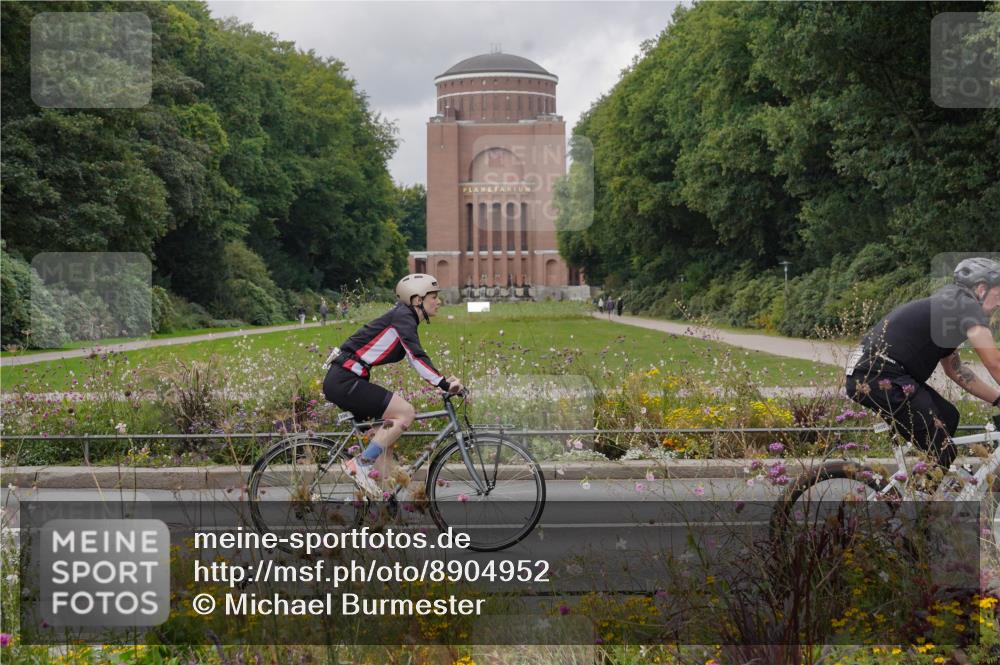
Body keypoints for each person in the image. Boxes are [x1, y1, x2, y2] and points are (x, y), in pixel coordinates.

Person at [845, 257, 1000, 471]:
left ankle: (925, 487)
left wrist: (998, 399)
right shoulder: (968, 306)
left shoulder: (951, 306)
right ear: (981, 289)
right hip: (881, 377)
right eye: (998, 294)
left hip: (875, 374)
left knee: (948, 417)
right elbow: (994, 362)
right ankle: (923, 502)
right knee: (943, 448)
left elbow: (956, 371)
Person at [323, 273, 464, 497]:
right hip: (345, 381)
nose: (438, 302)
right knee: (405, 413)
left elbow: (413, 358)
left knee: (385, 448)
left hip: (347, 379)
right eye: (434, 297)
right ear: (418, 300)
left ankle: (384, 506)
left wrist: (440, 381)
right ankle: (360, 464)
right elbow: (416, 356)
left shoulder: (403, 318)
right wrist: (444, 384)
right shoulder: (403, 318)